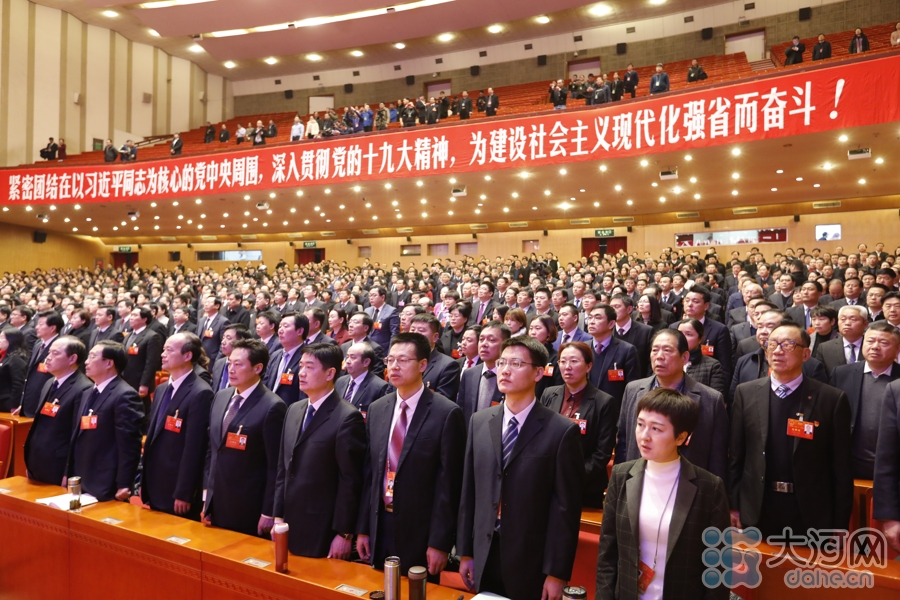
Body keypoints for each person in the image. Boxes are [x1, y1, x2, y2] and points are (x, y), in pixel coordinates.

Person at [457, 336, 583, 600]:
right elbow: (469, 492)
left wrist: (557, 572)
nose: (504, 370)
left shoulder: (561, 431)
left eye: (515, 363)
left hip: (531, 560)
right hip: (485, 551)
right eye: (502, 362)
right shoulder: (479, 421)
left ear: (538, 373)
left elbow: (565, 510)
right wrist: (465, 551)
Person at [596, 388, 730, 600]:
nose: (644, 436)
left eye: (656, 429)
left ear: (681, 437)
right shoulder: (621, 476)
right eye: (640, 425)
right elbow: (607, 555)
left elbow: (718, 567)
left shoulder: (709, 487)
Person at [357, 332, 466, 582]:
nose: (394, 366)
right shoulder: (378, 408)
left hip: (420, 530)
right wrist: (363, 529)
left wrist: (440, 542)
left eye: (403, 360)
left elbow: (449, 485)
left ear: (423, 365)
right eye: (390, 360)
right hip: (380, 524)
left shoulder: (446, 413)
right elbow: (370, 475)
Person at [729, 322, 852, 539]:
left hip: (811, 514)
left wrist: (840, 523)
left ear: (805, 354)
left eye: (787, 345)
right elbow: (737, 457)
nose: (777, 351)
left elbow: (841, 467)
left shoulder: (831, 399)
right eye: (772, 344)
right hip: (758, 509)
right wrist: (734, 505)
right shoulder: (746, 393)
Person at [272, 342, 366, 561]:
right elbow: (283, 468)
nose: (301, 373)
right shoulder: (294, 409)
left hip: (322, 526)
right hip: (288, 521)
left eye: (310, 367)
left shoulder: (347, 417)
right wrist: (277, 515)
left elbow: (350, 480)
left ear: (330, 373)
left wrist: (344, 533)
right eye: (301, 366)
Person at [617, 329, 729, 482]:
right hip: (639, 481)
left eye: (667, 350)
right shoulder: (633, 390)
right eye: (655, 350)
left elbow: (717, 458)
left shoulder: (711, 400)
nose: (659, 356)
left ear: (685, 357)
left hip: (688, 486)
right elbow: (623, 444)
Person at [203, 339, 287, 537]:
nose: (231, 369)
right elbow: (212, 449)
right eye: (229, 363)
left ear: (258, 368)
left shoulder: (272, 406)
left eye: (238, 364)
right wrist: (207, 493)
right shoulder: (221, 396)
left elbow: (275, 466)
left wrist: (269, 511)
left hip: (249, 505)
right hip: (216, 500)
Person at [140, 333, 213, 518]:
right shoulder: (162, 388)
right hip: (155, 482)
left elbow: (194, 449)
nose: (162, 354)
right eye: (163, 349)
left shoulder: (200, 392)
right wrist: (144, 482)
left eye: (169, 350)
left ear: (187, 355)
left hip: (176, 489)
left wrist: (184, 492)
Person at [541, 341, 616, 507]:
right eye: (562, 361)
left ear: (588, 366)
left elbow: (602, 453)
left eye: (574, 361)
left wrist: (570, 477)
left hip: (584, 486)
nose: (567, 367)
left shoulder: (603, 402)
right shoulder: (549, 394)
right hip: (548, 483)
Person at [68, 341, 144, 502]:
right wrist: (67, 472)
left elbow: (129, 445)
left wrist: (124, 483)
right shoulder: (87, 392)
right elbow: (76, 436)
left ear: (109, 363)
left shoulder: (125, 395)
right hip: (82, 475)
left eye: (92, 357)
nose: (86, 362)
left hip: (106, 481)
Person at [830, 322, 900, 480]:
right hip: (850, 464)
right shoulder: (842, 374)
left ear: (897, 349)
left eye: (883, 343)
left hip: (892, 466)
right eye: (870, 341)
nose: (875, 347)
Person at [23, 336, 93, 485]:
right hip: (37, 461)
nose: (48, 357)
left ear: (72, 358)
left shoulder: (83, 388)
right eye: (49, 352)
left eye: (55, 353)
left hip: (58, 466)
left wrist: (68, 472)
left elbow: (77, 436)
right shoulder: (49, 382)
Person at [587, 304, 639, 408]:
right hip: (585, 408)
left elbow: (632, 388)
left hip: (614, 409)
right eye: (590, 317)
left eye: (597, 318)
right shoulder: (582, 348)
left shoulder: (627, 350)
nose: (591, 321)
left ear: (611, 324)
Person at [457, 322, 508, 424]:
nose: (484, 344)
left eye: (491, 340)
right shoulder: (469, 374)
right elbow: (461, 411)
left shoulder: (509, 375)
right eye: (481, 339)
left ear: (505, 344)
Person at [18, 310, 63, 417]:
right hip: (29, 402)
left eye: (41, 324)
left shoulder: (61, 347)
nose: (37, 327)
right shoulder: (38, 343)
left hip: (45, 402)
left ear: (52, 328)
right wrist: (22, 403)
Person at [121, 307, 163, 420]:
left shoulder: (152, 336)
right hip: (125, 379)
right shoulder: (129, 335)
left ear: (144, 319)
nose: (131, 318)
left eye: (135, 315)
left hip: (139, 381)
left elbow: (151, 363)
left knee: (140, 411)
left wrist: (145, 384)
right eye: (131, 315)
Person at [408, 314, 462, 400]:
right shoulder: (400, 359)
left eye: (421, 330)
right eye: (413, 329)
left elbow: (442, 401)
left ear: (435, 337)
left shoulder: (448, 366)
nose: (415, 334)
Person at [334, 341, 391, 415]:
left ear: (366, 362)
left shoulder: (379, 387)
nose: (347, 361)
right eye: (347, 357)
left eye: (353, 357)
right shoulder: (340, 381)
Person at [265, 313, 308, 406]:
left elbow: (304, 395)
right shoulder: (275, 355)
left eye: (285, 326)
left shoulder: (307, 357)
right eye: (280, 326)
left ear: (300, 331)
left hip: (290, 410)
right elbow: (265, 384)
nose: (280, 330)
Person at [678, 319, 727, 398]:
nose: (682, 338)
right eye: (679, 333)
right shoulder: (669, 361)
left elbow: (716, 399)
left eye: (688, 334)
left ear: (700, 339)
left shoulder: (713, 366)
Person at [340, 312, 386, 379]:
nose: (350, 325)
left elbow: (377, 374)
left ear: (366, 328)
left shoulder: (374, 348)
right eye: (350, 322)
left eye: (355, 322)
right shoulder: (344, 346)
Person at [0, 329, 28, 412]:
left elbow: (18, 384)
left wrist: (14, 405)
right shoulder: (3, 356)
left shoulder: (16, 359)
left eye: (2, 337)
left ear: (11, 340)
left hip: (7, 402)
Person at [365, 287, 400, 354]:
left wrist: (391, 352)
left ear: (383, 297)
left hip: (383, 349)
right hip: (367, 348)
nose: (371, 298)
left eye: (374, 295)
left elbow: (394, 333)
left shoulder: (392, 311)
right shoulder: (367, 310)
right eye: (370, 295)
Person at [198, 296, 226, 365]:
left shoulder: (223, 321)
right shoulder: (201, 320)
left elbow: (223, 343)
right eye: (206, 302)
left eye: (209, 302)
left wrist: (218, 360)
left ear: (217, 306)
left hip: (213, 359)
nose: (206, 304)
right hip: (199, 357)